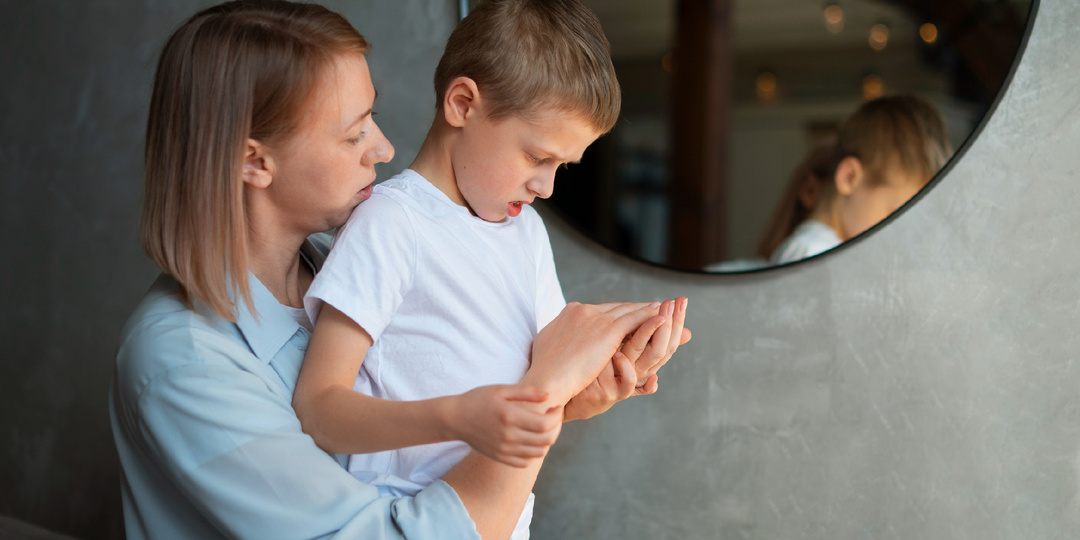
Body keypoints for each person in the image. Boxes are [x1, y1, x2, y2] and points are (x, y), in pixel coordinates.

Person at [109, 2, 685, 539]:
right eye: (353, 132)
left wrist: (570, 395)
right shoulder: (184, 364)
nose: (384, 149)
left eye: (374, 115)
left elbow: (479, 382)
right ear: (254, 160)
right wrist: (540, 392)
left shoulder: (341, 259)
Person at [291, 1, 690, 539]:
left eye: (562, 166)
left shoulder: (527, 234)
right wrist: (458, 414)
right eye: (537, 157)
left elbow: (527, 396)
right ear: (462, 104)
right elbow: (318, 410)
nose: (546, 186)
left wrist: (585, 396)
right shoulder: (391, 224)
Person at [769, 95, 953, 265]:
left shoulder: (832, 254)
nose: (905, 236)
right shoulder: (811, 255)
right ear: (849, 177)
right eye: (896, 216)